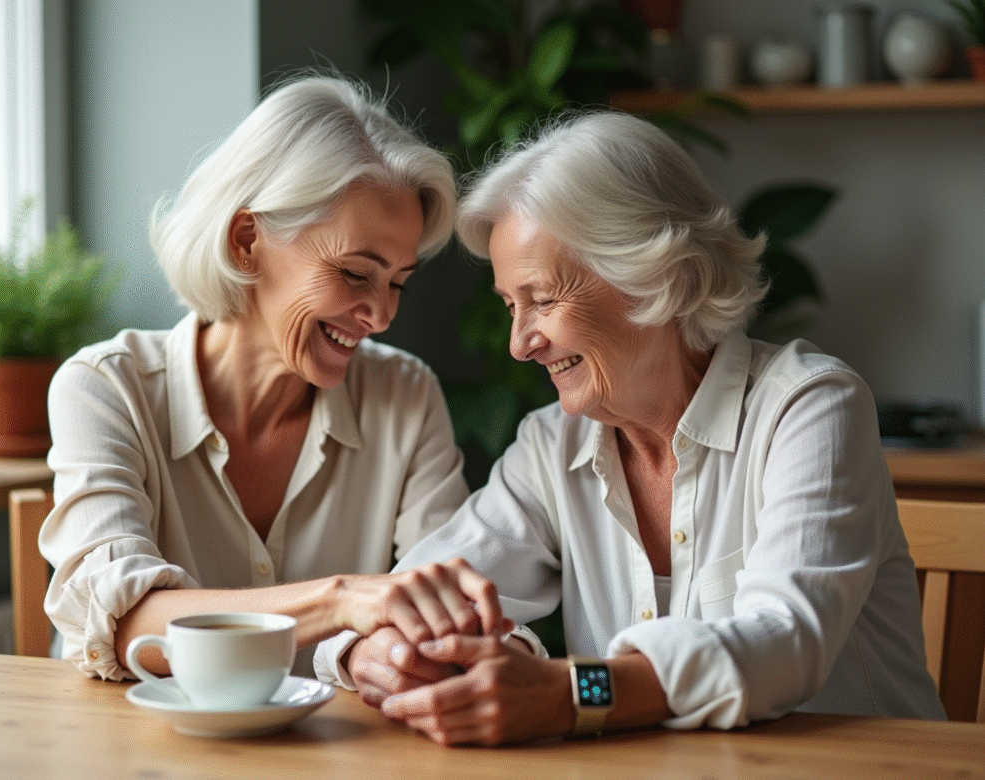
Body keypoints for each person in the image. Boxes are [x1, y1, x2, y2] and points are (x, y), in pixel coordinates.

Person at [314, 110, 946, 743]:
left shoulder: (808, 407)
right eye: (511, 306)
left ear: (658, 277)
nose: (519, 344)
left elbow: (782, 642)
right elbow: (414, 594)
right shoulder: (550, 445)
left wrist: (569, 694)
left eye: (542, 299)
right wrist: (375, 652)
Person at [40, 74, 502, 682]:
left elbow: (440, 610)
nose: (383, 315)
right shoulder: (105, 388)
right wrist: (341, 601)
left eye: (397, 283)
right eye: (356, 274)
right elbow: (127, 624)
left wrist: (379, 650)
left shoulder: (405, 397)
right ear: (246, 241)